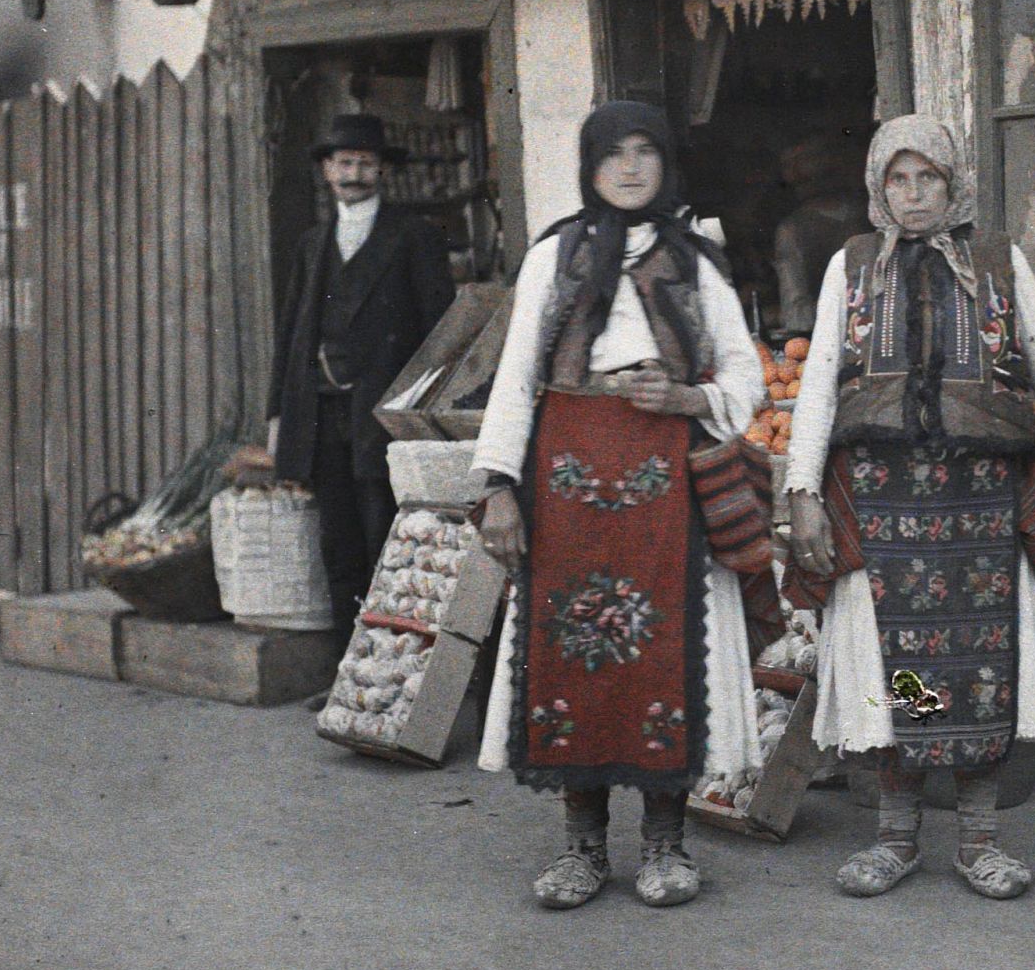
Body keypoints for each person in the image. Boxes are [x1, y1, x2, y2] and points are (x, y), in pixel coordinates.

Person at [782, 113, 1035, 901]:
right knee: (895, 673)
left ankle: (979, 841)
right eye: (898, 178)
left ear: (953, 183)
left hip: (981, 504)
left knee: (982, 669)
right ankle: (895, 838)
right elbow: (819, 382)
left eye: (927, 177)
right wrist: (803, 494)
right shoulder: (853, 265)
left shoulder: (998, 260)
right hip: (881, 500)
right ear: (878, 187)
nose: (913, 193)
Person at [470, 101, 766, 910]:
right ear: (589, 166)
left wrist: (684, 394)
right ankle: (583, 847)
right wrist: (499, 484)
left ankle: (666, 845)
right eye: (613, 154)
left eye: (646, 152)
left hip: (665, 475)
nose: (630, 168)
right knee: (574, 648)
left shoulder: (698, 261)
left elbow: (748, 376)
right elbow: (517, 376)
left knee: (661, 648)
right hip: (564, 471)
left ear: (667, 163)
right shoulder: (555, 255)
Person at [267, 114, 456, 637]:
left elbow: (440, 331)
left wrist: (420, 409)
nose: (354, 173)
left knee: (385, 537)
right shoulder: (312, 243)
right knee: (337, 544)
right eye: (344, 163)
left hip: (381, 413)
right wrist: (278, 414)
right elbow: (292, 334)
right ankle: (342, 674)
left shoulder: (413, 236)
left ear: (381, 172)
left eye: (365, 164)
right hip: (322, 414)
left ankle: (391, 670)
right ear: (327, 170)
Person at [772, 137, 870, 336]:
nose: (797, 172)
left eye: (806, 160)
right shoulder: (791, 230)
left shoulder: (868, 214)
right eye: (789, 165)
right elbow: (796, 314)